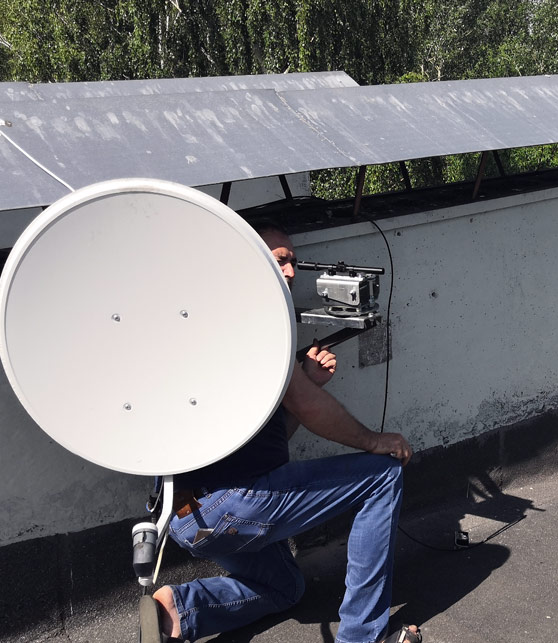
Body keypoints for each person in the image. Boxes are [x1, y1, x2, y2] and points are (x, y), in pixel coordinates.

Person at [149, 220, 421, 643]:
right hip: (225, 507)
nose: (292, 272)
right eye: (280, 261)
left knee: (285, 587)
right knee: (383, 476)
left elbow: (269, 445)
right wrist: (373, 440)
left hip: (188, 519)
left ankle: (178, 610)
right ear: (247, 261)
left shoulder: (209, 324)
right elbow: (308, 408)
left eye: (293, 262)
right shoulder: (255, 322)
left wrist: (304, 382)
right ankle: (362, 637)